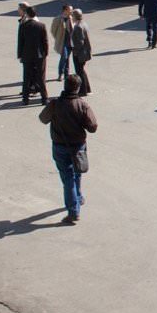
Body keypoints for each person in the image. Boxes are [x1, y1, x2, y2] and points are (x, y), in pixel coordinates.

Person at [38, 74, 98, 225]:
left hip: (60, 146)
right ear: (77, 88)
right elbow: (93, 127)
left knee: (67, 177)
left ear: (65, 86)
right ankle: (77, 199)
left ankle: (73, 210)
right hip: (77, 146)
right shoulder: (82, 105)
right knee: (76, 174)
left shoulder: (55, 104)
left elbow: (43, 118)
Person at [18, 6, 49, 105]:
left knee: (26, 77)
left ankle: (25, 99)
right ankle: (44, 98)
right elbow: (45, 41)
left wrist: (20, 54)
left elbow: (20, 42)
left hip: (27, 55)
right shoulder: (41, 25)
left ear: (27, 14)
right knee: (41, 77)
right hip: (39, 55)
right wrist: (45, 53)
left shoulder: (23, 26)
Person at [70, 9, 92, 97]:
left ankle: (83, 90)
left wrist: (74, 50)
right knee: (82, 70)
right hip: (84, 52)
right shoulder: (83, 24)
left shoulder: (78, 26)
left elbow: (80, 42)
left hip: (80, 53)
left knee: (79, 72)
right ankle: (87, 88)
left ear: (75, 16)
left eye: (72, 16)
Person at [50, 4, 74, 82]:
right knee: (64, 57)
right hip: (62, 42)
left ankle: (67, 74)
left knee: (67, 58)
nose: (71, 11)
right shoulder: (58, 19)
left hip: (70, 42)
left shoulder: (71, 18)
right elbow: (53, 30)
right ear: (65, 10)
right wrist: (58, 38)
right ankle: (61, 73)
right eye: (70, 10)